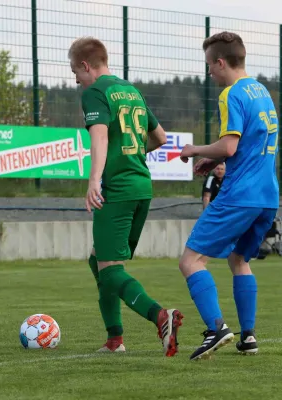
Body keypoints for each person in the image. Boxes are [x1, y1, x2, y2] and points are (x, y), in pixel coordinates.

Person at [68, 37, 183, 357]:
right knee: (100, 260)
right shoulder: (131, 91)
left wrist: (94, 181)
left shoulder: (94, 92)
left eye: (75, 70)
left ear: (86, 66)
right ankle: (114, 339)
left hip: (117, 190)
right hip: (142, 188)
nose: (75, 79)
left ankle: (161, 316)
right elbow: (160, 138)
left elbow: (100, 135)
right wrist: (130, 155)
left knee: (110, 269)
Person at [179, 31, 280, 361]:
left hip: (240, 194)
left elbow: (231, 145)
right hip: (267, 196)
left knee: (191, 261)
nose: (209, 72)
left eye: (210, 65)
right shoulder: (261, 90)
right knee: (239, 260)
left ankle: (216, 328)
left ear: (221, 62)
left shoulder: (231, 93)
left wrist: (195, 150)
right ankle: (248, 336)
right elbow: (245, 146)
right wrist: (215, 159)